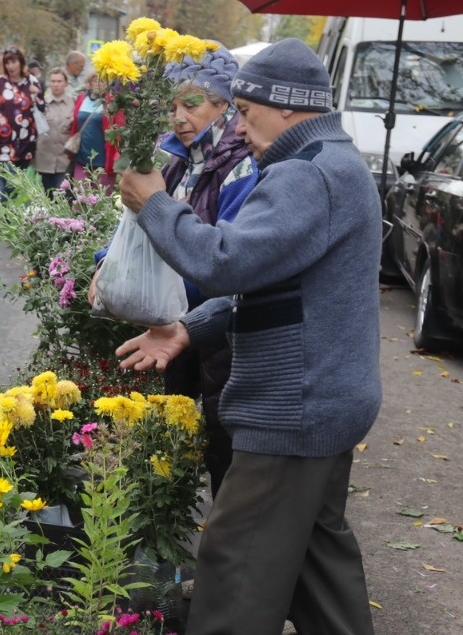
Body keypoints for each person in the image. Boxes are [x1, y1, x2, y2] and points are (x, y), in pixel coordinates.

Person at [116, 39, 380, 635]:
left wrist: (155, 204)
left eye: (243, 109)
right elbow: (270, 290)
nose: (238, 123)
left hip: (293, 409)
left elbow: (226, 262)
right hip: (325, 400)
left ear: (286, 106)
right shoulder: (334, 163)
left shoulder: (307, 175)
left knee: (235, 566)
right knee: (317, 563)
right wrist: (188, 327)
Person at [91, 44, 257, 498]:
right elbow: (138, 222)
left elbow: (235, 255)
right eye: (172, 105)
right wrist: (107, 262)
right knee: (174, 436)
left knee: (224, 444)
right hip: (171, 323)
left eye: (191, 103)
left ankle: (228, 549)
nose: (178, 116)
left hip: (220, 328)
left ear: (224, 104)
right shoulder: (174, 158)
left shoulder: (242, 168)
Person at [0, 45, 44, 200]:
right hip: (4, 144)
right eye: (7, 63)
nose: (10, 66)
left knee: (20, 189)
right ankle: (7, 219)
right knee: (7, 188)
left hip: (26, 144)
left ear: (21, 62)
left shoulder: (32, 82)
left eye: (13, 62)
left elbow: (41, 109)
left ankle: (17, 222)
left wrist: (36, 95)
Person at [69, 72, 117, 194]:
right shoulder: (81, 99)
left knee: (101, 201)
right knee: (80, 199)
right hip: (82, 158)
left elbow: (117, 128)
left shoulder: (111, 102)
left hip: (103, 161)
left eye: (102, 81)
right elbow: (75, 123)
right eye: (95, 81)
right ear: (89, 84)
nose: (98, 84)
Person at [33, 66, 75, 192]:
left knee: (62, 196)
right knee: (49, 196)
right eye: (53, 81)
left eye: (59, 81)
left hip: (64, 160)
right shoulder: (41, 104)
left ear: (66, 83)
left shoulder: (73, 103)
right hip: (44, 160)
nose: (56, 85)